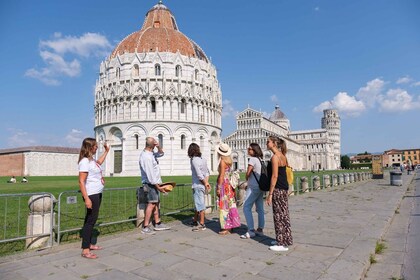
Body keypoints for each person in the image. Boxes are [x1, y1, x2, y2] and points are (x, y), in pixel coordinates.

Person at [78, 138, 110, 259]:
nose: (97, 147)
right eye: (95, 146)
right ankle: (85, 250)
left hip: (96, 193)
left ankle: (89, 244)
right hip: (91, 194)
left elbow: (99, 162)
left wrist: (106, 151)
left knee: (91, 220)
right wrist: (86, 199)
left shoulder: (91, 160)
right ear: (89, 147)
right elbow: (81, 181)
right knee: (90, 221)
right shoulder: (85, 161)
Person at [266, 135, 293, 252]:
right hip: (284, 188)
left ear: (274, 144)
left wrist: (270, 194)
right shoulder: (283, 156)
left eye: (268, 142)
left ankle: (281, 243)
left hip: (278, 189)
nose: (267, 143)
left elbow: (275, 176)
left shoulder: (275, 157)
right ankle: (285, 239)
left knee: (278, 215)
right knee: (284, 214)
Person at [139, 137, 170, 234]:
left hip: (154, 183)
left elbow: (161, 154)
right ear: (151, 145)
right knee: (151, 204)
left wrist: (159, 146)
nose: (156, 143)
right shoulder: (146, 157)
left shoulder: (150, 154)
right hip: (151, 184)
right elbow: (150, 175)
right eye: (155, 142)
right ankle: (145, 226)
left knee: (156, 203)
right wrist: (159, 187)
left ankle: (157, 223)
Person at [240, 143, 265, 239]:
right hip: (260, 186)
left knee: (246, 207)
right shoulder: (260, 159)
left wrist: (246, 177)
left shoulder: (253, 159)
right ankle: (260, 229)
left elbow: (248, 172)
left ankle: (250, 230)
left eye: (249, 149)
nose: (248, 150)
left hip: (253, 187)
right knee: (260, 208)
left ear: (254, 150)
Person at [216, 143, 241, 235]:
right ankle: (231, 225)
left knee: (224, 206)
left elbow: (222, 175)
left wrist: (218, 187)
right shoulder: (229, 161)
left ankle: (226, 227)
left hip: (224, 185)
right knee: (230, 205)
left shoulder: (222, 161)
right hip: (229, 186)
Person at [188, 143, 211, 231]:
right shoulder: (203, 159)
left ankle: (202, 223)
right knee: (197, 204)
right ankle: (195, 220)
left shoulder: (194, 160)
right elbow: (207, 172)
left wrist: (205, 183)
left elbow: (199, 175)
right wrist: (206, 182)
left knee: (200, 204)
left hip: (198, 184)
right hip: (202, 183)